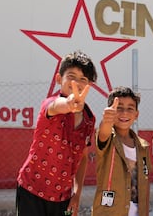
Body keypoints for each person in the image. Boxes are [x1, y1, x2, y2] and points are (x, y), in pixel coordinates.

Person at [16, 50, 97, 216]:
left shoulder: (89, 119)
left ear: (89, 85)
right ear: (59, 79)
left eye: (83, 79)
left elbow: (83, 157)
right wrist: (69, 103)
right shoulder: (51, 104)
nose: (77, 82)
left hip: (62, 198)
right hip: (31, 189)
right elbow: (56, 106)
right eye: (71, 76)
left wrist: (77, 194)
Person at [92, 86, 152, 216]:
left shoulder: (143, 146)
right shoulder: (108, 138)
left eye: (130, 108)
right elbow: (104, 132)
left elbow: (145, 183)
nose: (124, 113)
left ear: (136, 114)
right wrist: (107, 120)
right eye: (119, 108)